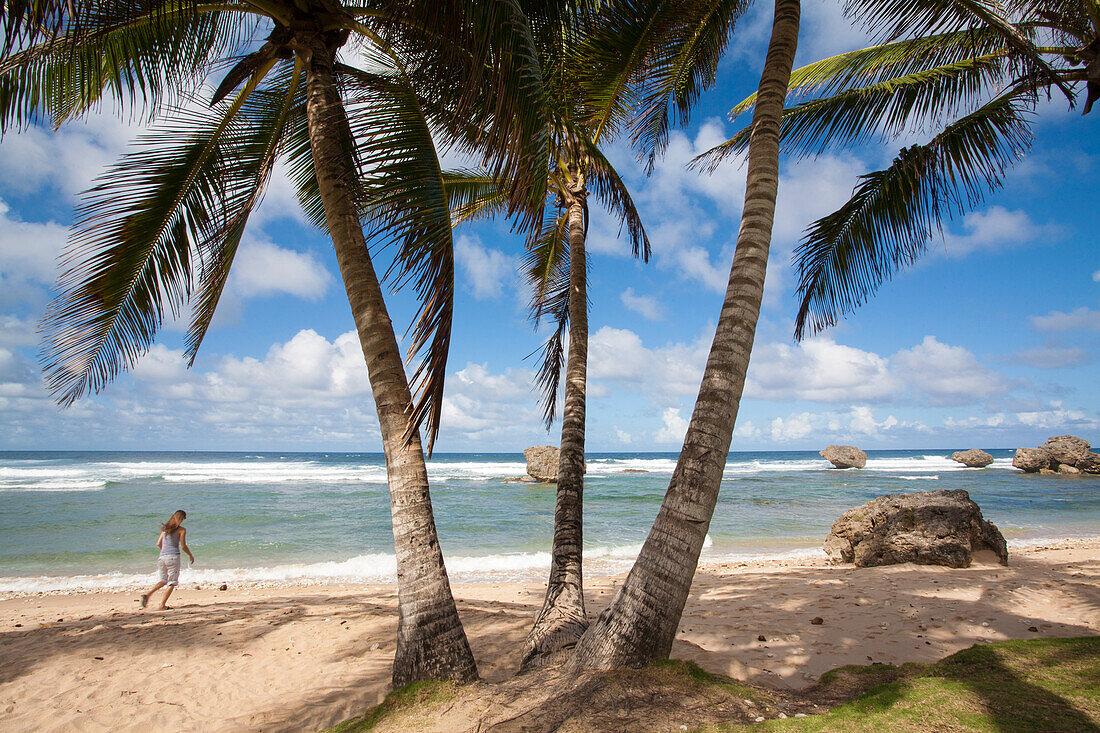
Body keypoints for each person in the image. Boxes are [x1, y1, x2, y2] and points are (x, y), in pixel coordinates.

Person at [140, 509, 195, 610]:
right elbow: (183, 546)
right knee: (172, 582)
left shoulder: (165, 529)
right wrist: (190, 555)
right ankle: (162, 605)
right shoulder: (181, 530)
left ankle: (148, 595)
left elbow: (158, 544)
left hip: (162, 557)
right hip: (173, 557)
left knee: (163, 580)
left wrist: (165, 552)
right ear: (181, 519)